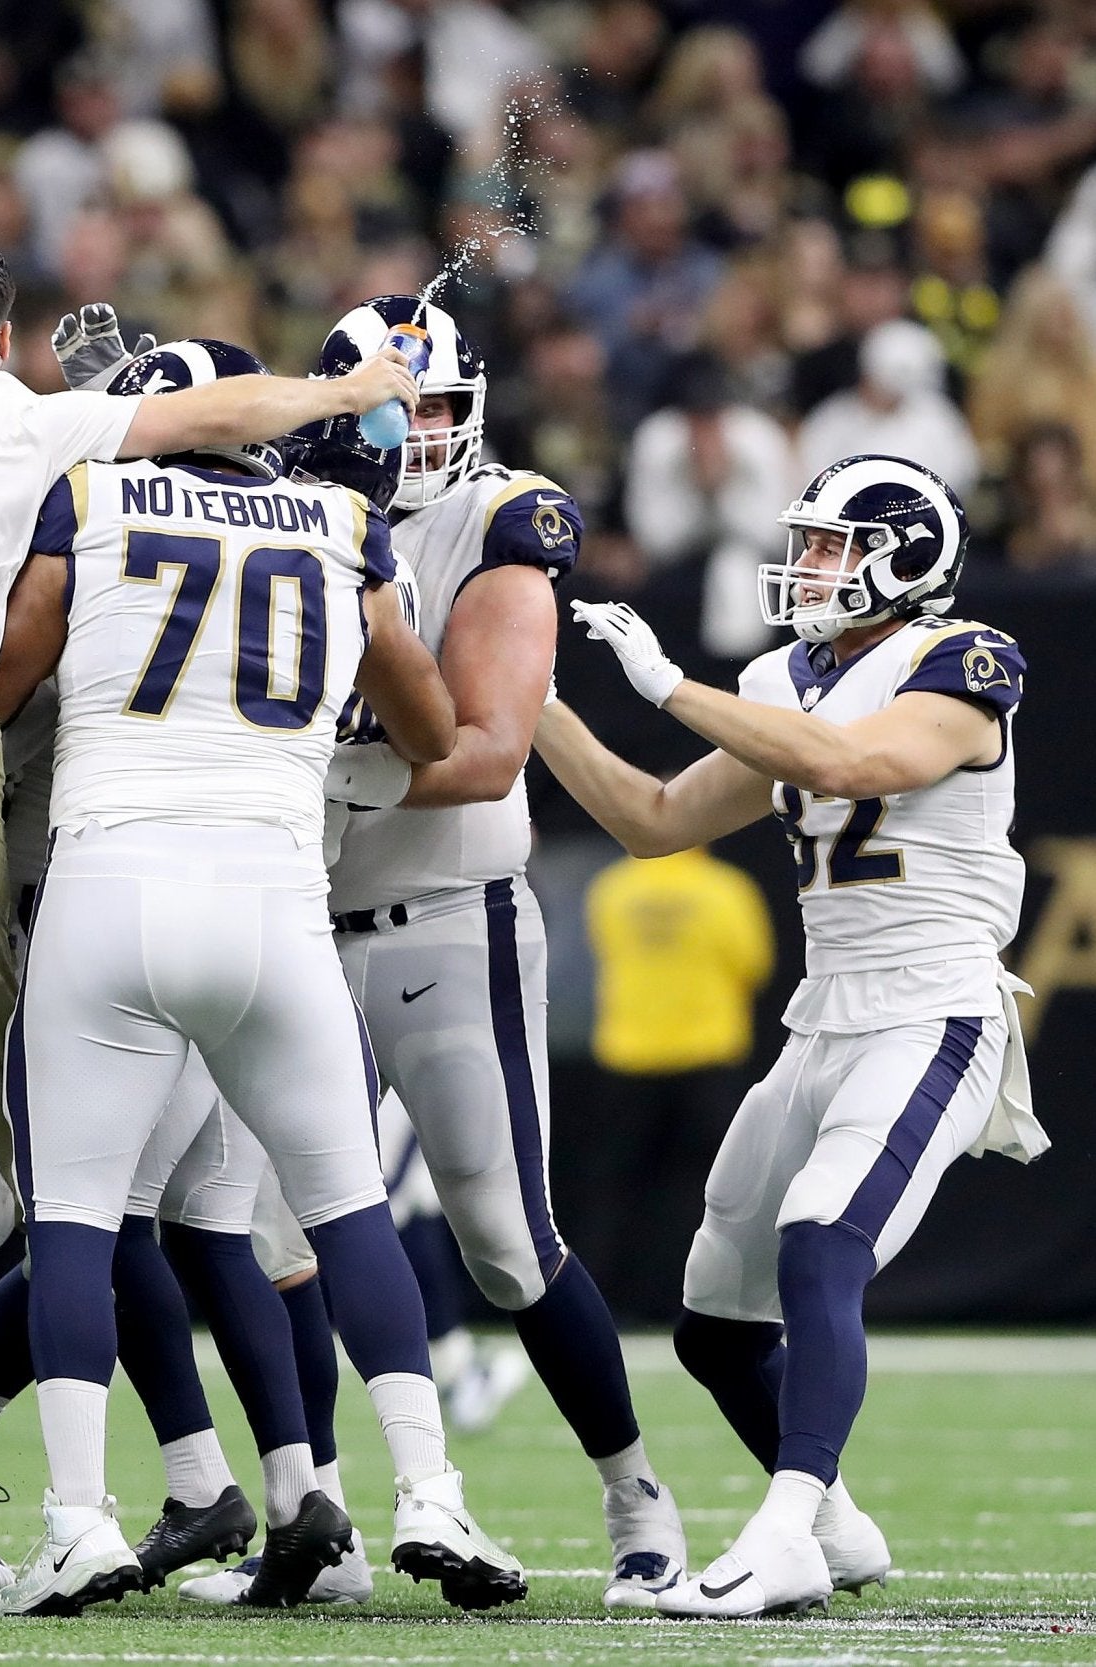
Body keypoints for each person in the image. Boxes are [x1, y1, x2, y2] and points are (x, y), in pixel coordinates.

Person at [0, 241, 418, 1399]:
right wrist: (352, 392)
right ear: (3, 341)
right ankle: (56, 1229)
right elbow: (227, 408)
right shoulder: (24, 417)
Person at [0, 335, 523, 1619]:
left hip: (107, 884)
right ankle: (431, 1488)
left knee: (74, 1216)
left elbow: (5, 679)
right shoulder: (340, 519)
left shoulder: (92, 494)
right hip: (275, 898)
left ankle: (75, 1520)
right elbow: (434, 727)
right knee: (344, 1213)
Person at [535, 453, 1045, 1618]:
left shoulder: (959, 659)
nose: (805, 564)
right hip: (820, 1019)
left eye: (827, 543)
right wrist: (535, 705)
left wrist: (666, 686)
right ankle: (834, 1524)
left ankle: (780, 1532)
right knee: (714, 1319)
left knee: (821, 1236)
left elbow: (856, 762)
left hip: (931, 1007)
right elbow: (654, 820)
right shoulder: (783, 673)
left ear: (904, 555)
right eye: (805, 541)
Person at [296, 295, 691, 1611]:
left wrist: (303, 781)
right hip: (293, 924)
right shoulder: (285, 496)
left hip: (445, 925)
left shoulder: (500, 517)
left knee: (506, 1240)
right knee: (281, 1236)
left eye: (438, 411)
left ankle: (635, 1487)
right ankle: (319, 1515)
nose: (416, 438)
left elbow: (485, 754)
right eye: (389, 410)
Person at [584, 841, 776, 1316]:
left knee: (618, 1188)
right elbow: (755, 965)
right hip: (706, 1057)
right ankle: (704, 1300)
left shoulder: (611, 888)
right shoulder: (726, 889)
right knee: (709, 1190)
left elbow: (601, 947)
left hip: (628, 1058)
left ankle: (607, 1303)